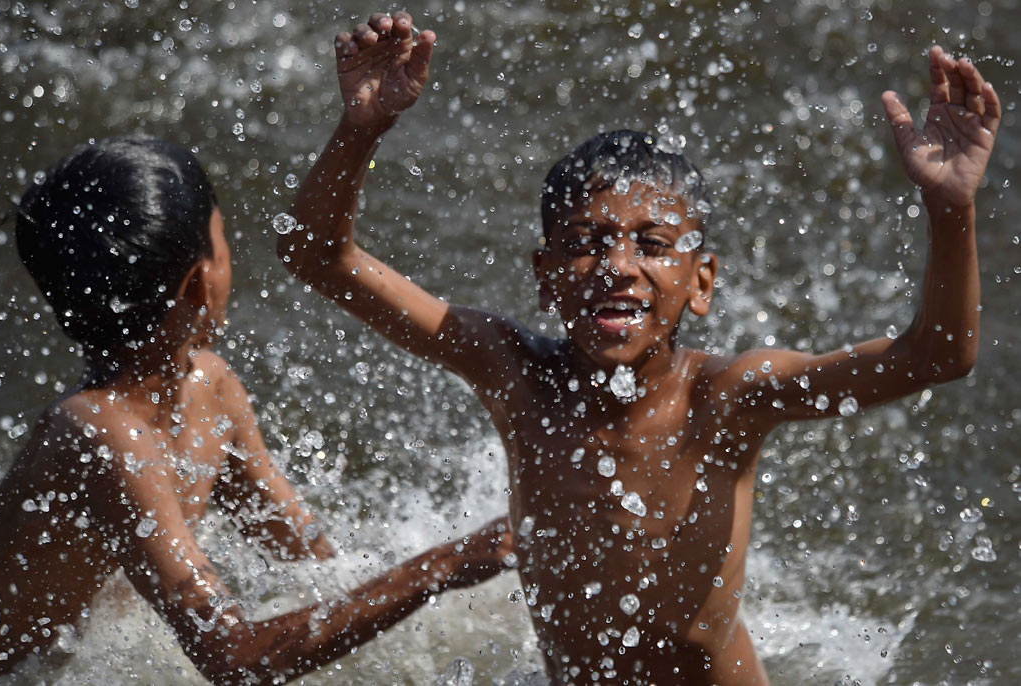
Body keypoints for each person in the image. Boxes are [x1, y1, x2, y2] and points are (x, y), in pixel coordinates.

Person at [280, 11, 999, 685]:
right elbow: (319, 257)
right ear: (544, 278)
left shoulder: (728, 399)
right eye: (586, 244)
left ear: (701, 282)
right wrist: (361, 128)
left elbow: (937, 356)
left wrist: (949, 204)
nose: (618, 265)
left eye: (653, 245)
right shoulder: (515, 374)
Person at [0, 136, 513, 685]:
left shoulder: (210, 387)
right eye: (223, 229)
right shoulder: (101, 435)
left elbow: (310, 564)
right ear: (201, 283)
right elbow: (231, 659)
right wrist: (449, 562)